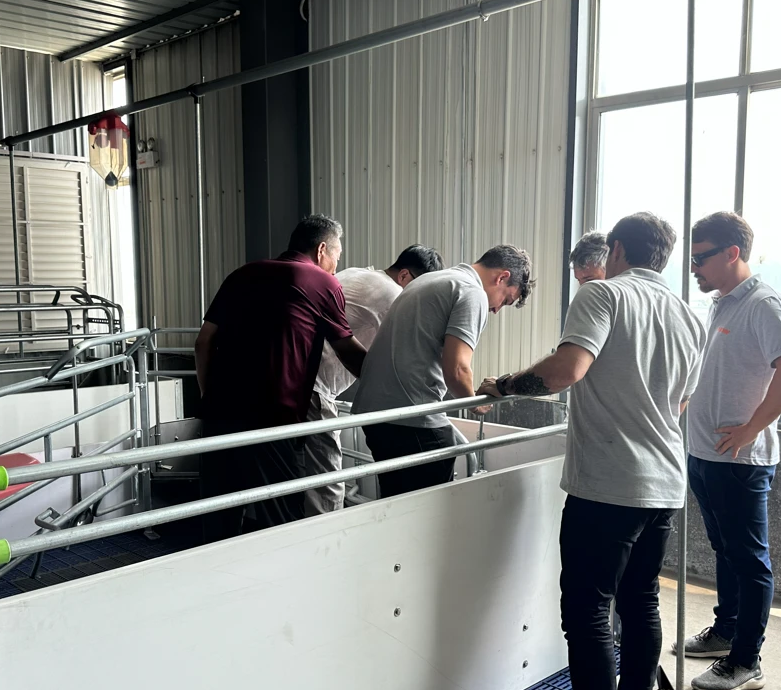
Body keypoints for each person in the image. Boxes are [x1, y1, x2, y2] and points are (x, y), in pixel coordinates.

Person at [477, 213, 705, 690]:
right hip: (664, 484)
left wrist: (504, 385)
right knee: (641, 607)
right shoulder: (688, 315)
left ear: (618, 250)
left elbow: (566, 371)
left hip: (608, 486)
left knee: (588, 616)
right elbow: (680, 401)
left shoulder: (604, 295)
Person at [675, 211, 781, 690]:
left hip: (739, 462)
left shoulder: (763, 304)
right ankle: (726, 630)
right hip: (706, 453)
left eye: (701, 258)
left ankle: (746, 661)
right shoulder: (722, 304)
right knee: (726, 551)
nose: (693, 268)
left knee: (750, 561)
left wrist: (753, 428)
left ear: (732, 253)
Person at [193, 215, 368, 540]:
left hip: (219, 415)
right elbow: (347, 350)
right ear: (321, 250)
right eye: (337, 256)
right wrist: (381, 381)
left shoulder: (242, 274)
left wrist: (209, 397)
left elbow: (203, 342)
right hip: (272, 420)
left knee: (219, 521)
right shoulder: (322, 282)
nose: (336, 267)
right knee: (281, 523)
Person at [353, 244, 535, 498]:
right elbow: (457, 369)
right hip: (410, 416)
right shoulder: (471, 292)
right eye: (505, 300)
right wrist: (475, 402)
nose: (496, 309)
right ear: (502, 277)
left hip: (376, 415)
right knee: (428, 510)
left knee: (397, 505)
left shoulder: (431, 280)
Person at [302, 245, 446, 515]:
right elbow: (403, 358)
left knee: (300, 477)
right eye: (418, 286)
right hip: (315, 388)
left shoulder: (357, 273)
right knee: (327, 486)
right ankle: (327, 539)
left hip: (296, 380)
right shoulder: (393, 294)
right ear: (404, 275)